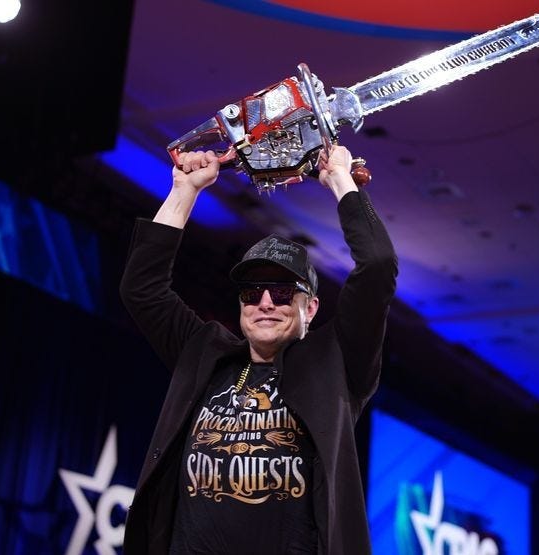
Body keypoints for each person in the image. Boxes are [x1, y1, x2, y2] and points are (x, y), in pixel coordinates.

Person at [119, 145, 397, 554]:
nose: (266, 302)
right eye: (253, 292)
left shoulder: (335, 362)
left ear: (311, 307)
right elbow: (140, 290)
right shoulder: (205, 353)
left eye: (283, 291)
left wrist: (340, 178)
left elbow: (376, 265)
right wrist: (184, 190)